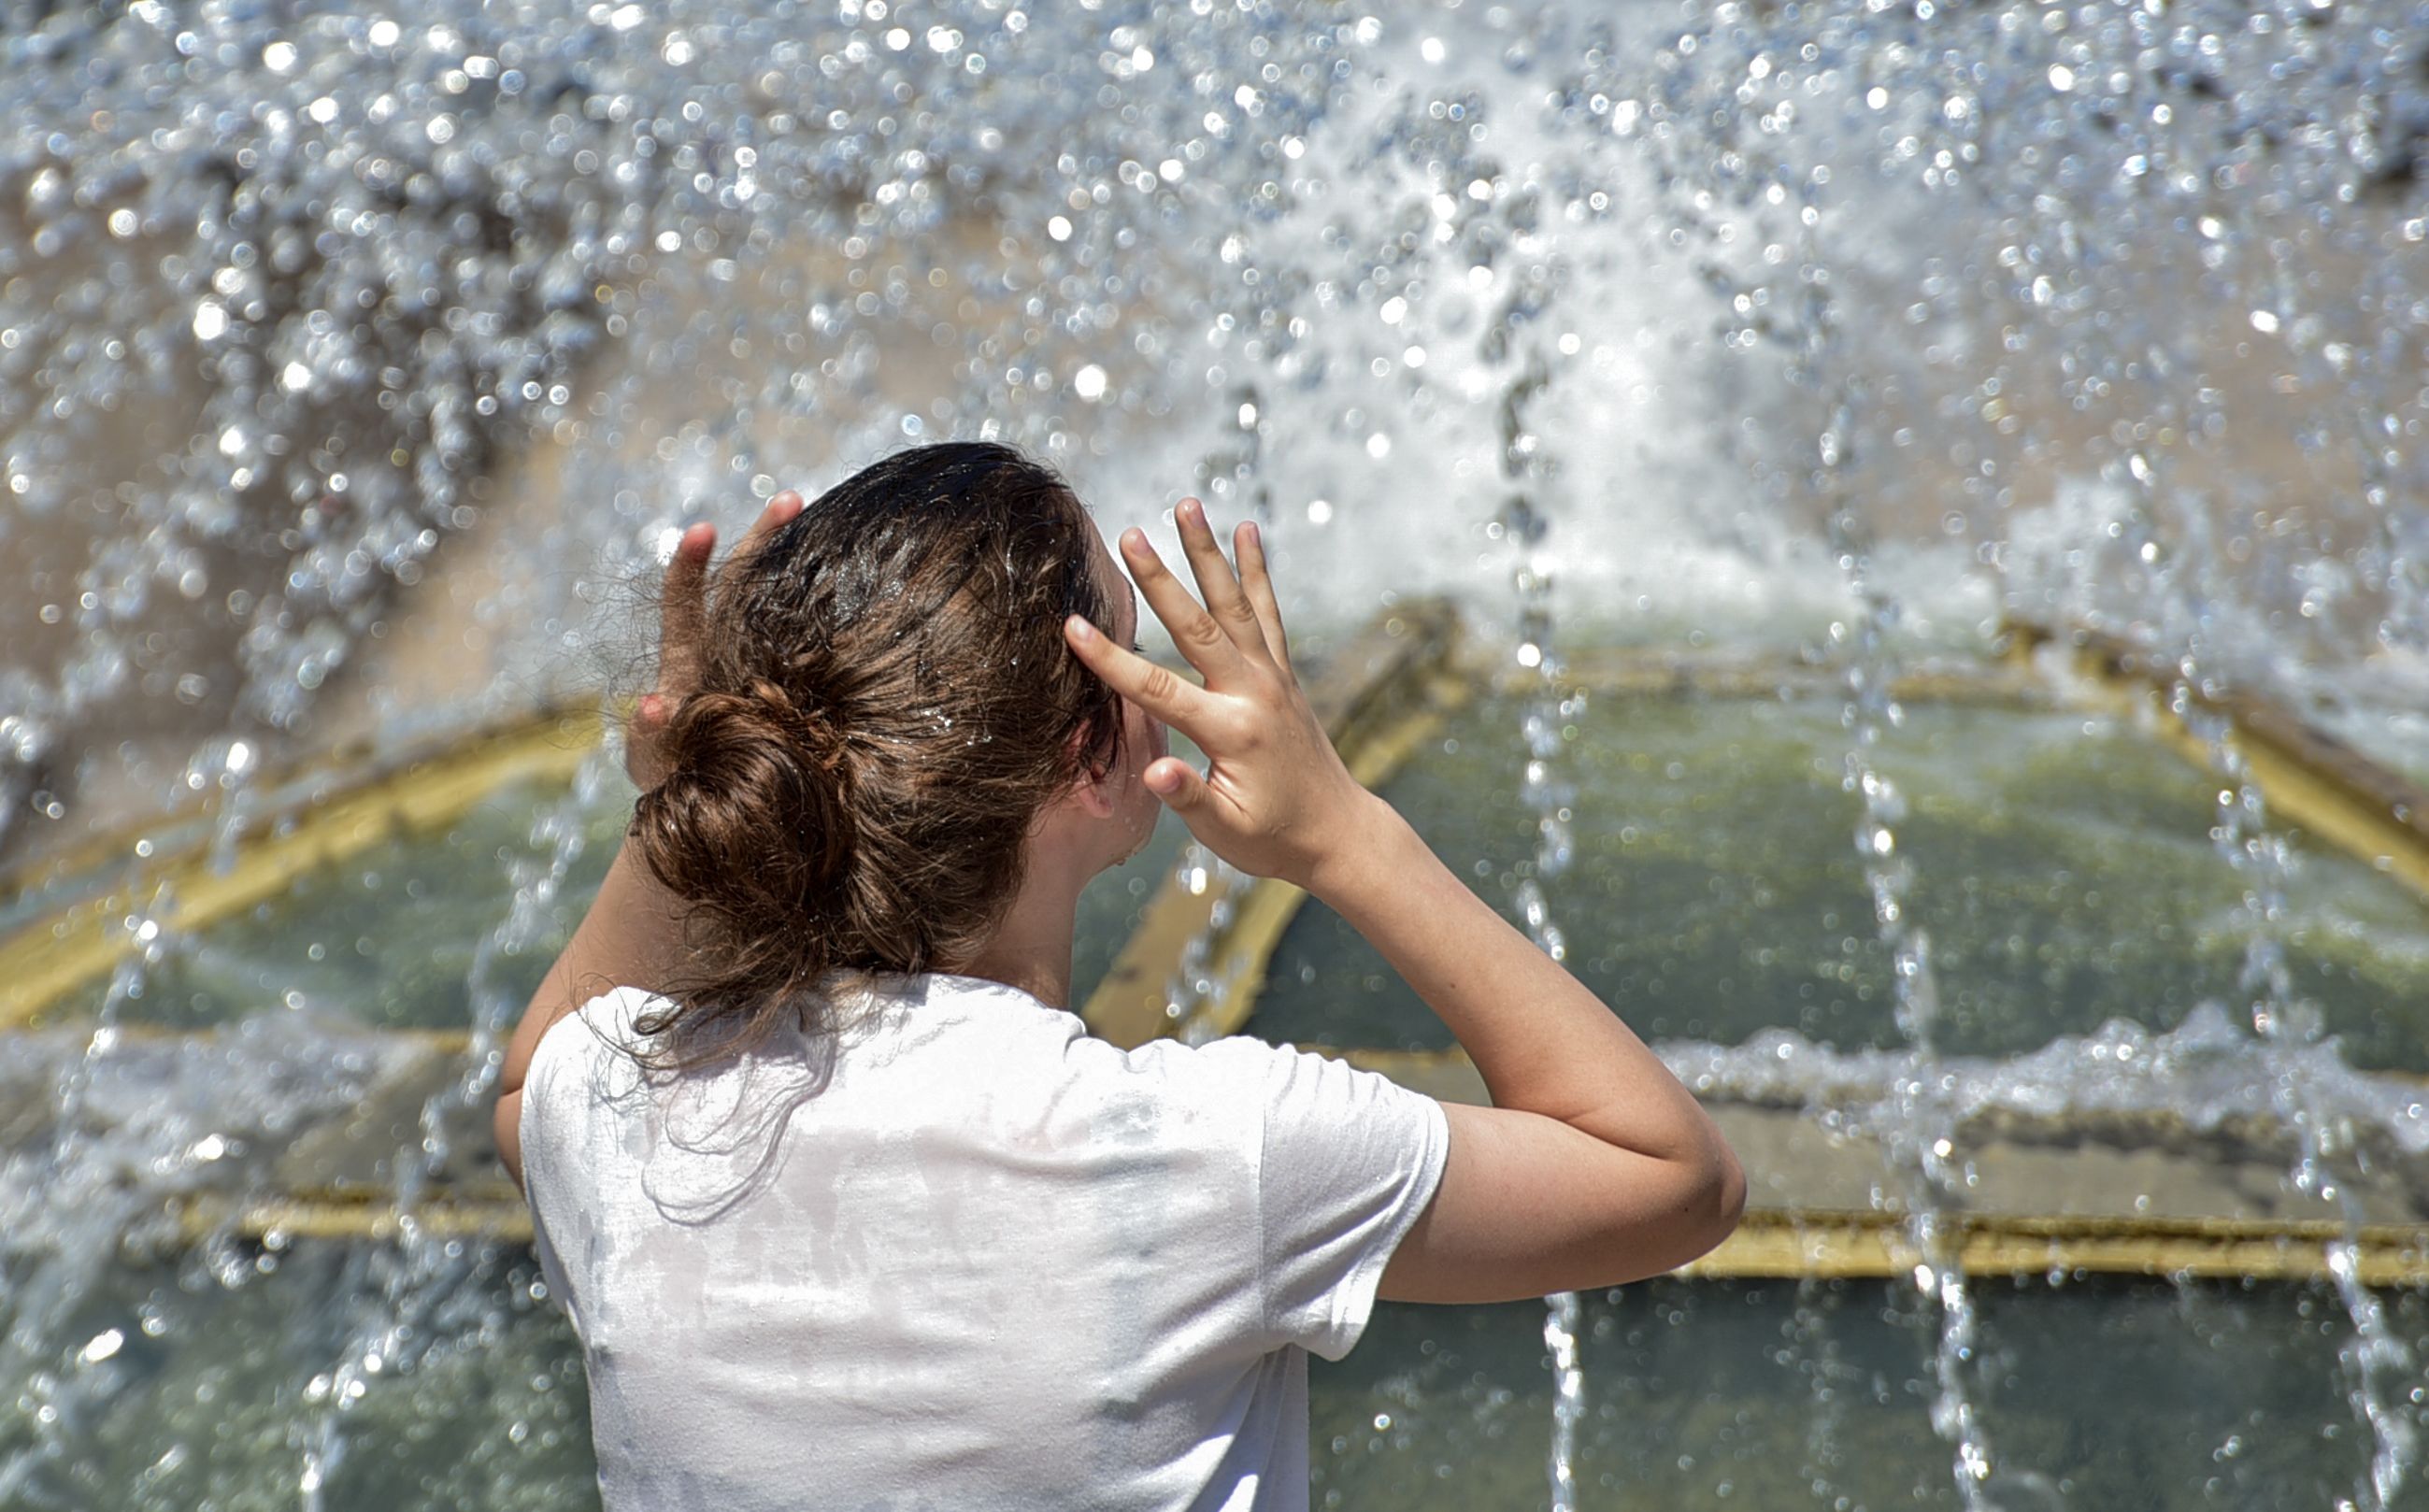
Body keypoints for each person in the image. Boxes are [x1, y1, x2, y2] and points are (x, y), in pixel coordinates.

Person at [493, 441, 1744, 1511]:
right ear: (1096, 754)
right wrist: (1345, 833)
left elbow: (530, 1076)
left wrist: (681, 806)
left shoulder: (619, 1117)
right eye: (1133, 659)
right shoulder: (1209, 1153)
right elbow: (1670, 1175)